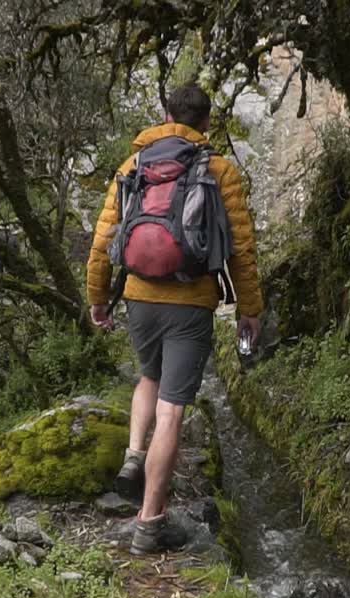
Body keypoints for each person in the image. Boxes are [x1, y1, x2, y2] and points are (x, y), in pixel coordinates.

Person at [85, 83, 264, 555]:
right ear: (206, 122)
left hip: (139, 298)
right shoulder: (219, 169)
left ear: (166, 115)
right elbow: (242, 249)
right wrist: (251, 310)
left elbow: (104, 240)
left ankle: (133, 455)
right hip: (191, 302)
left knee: (149, 376)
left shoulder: (133, 166)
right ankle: (150, 523)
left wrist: (98, 298)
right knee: (173, 408)